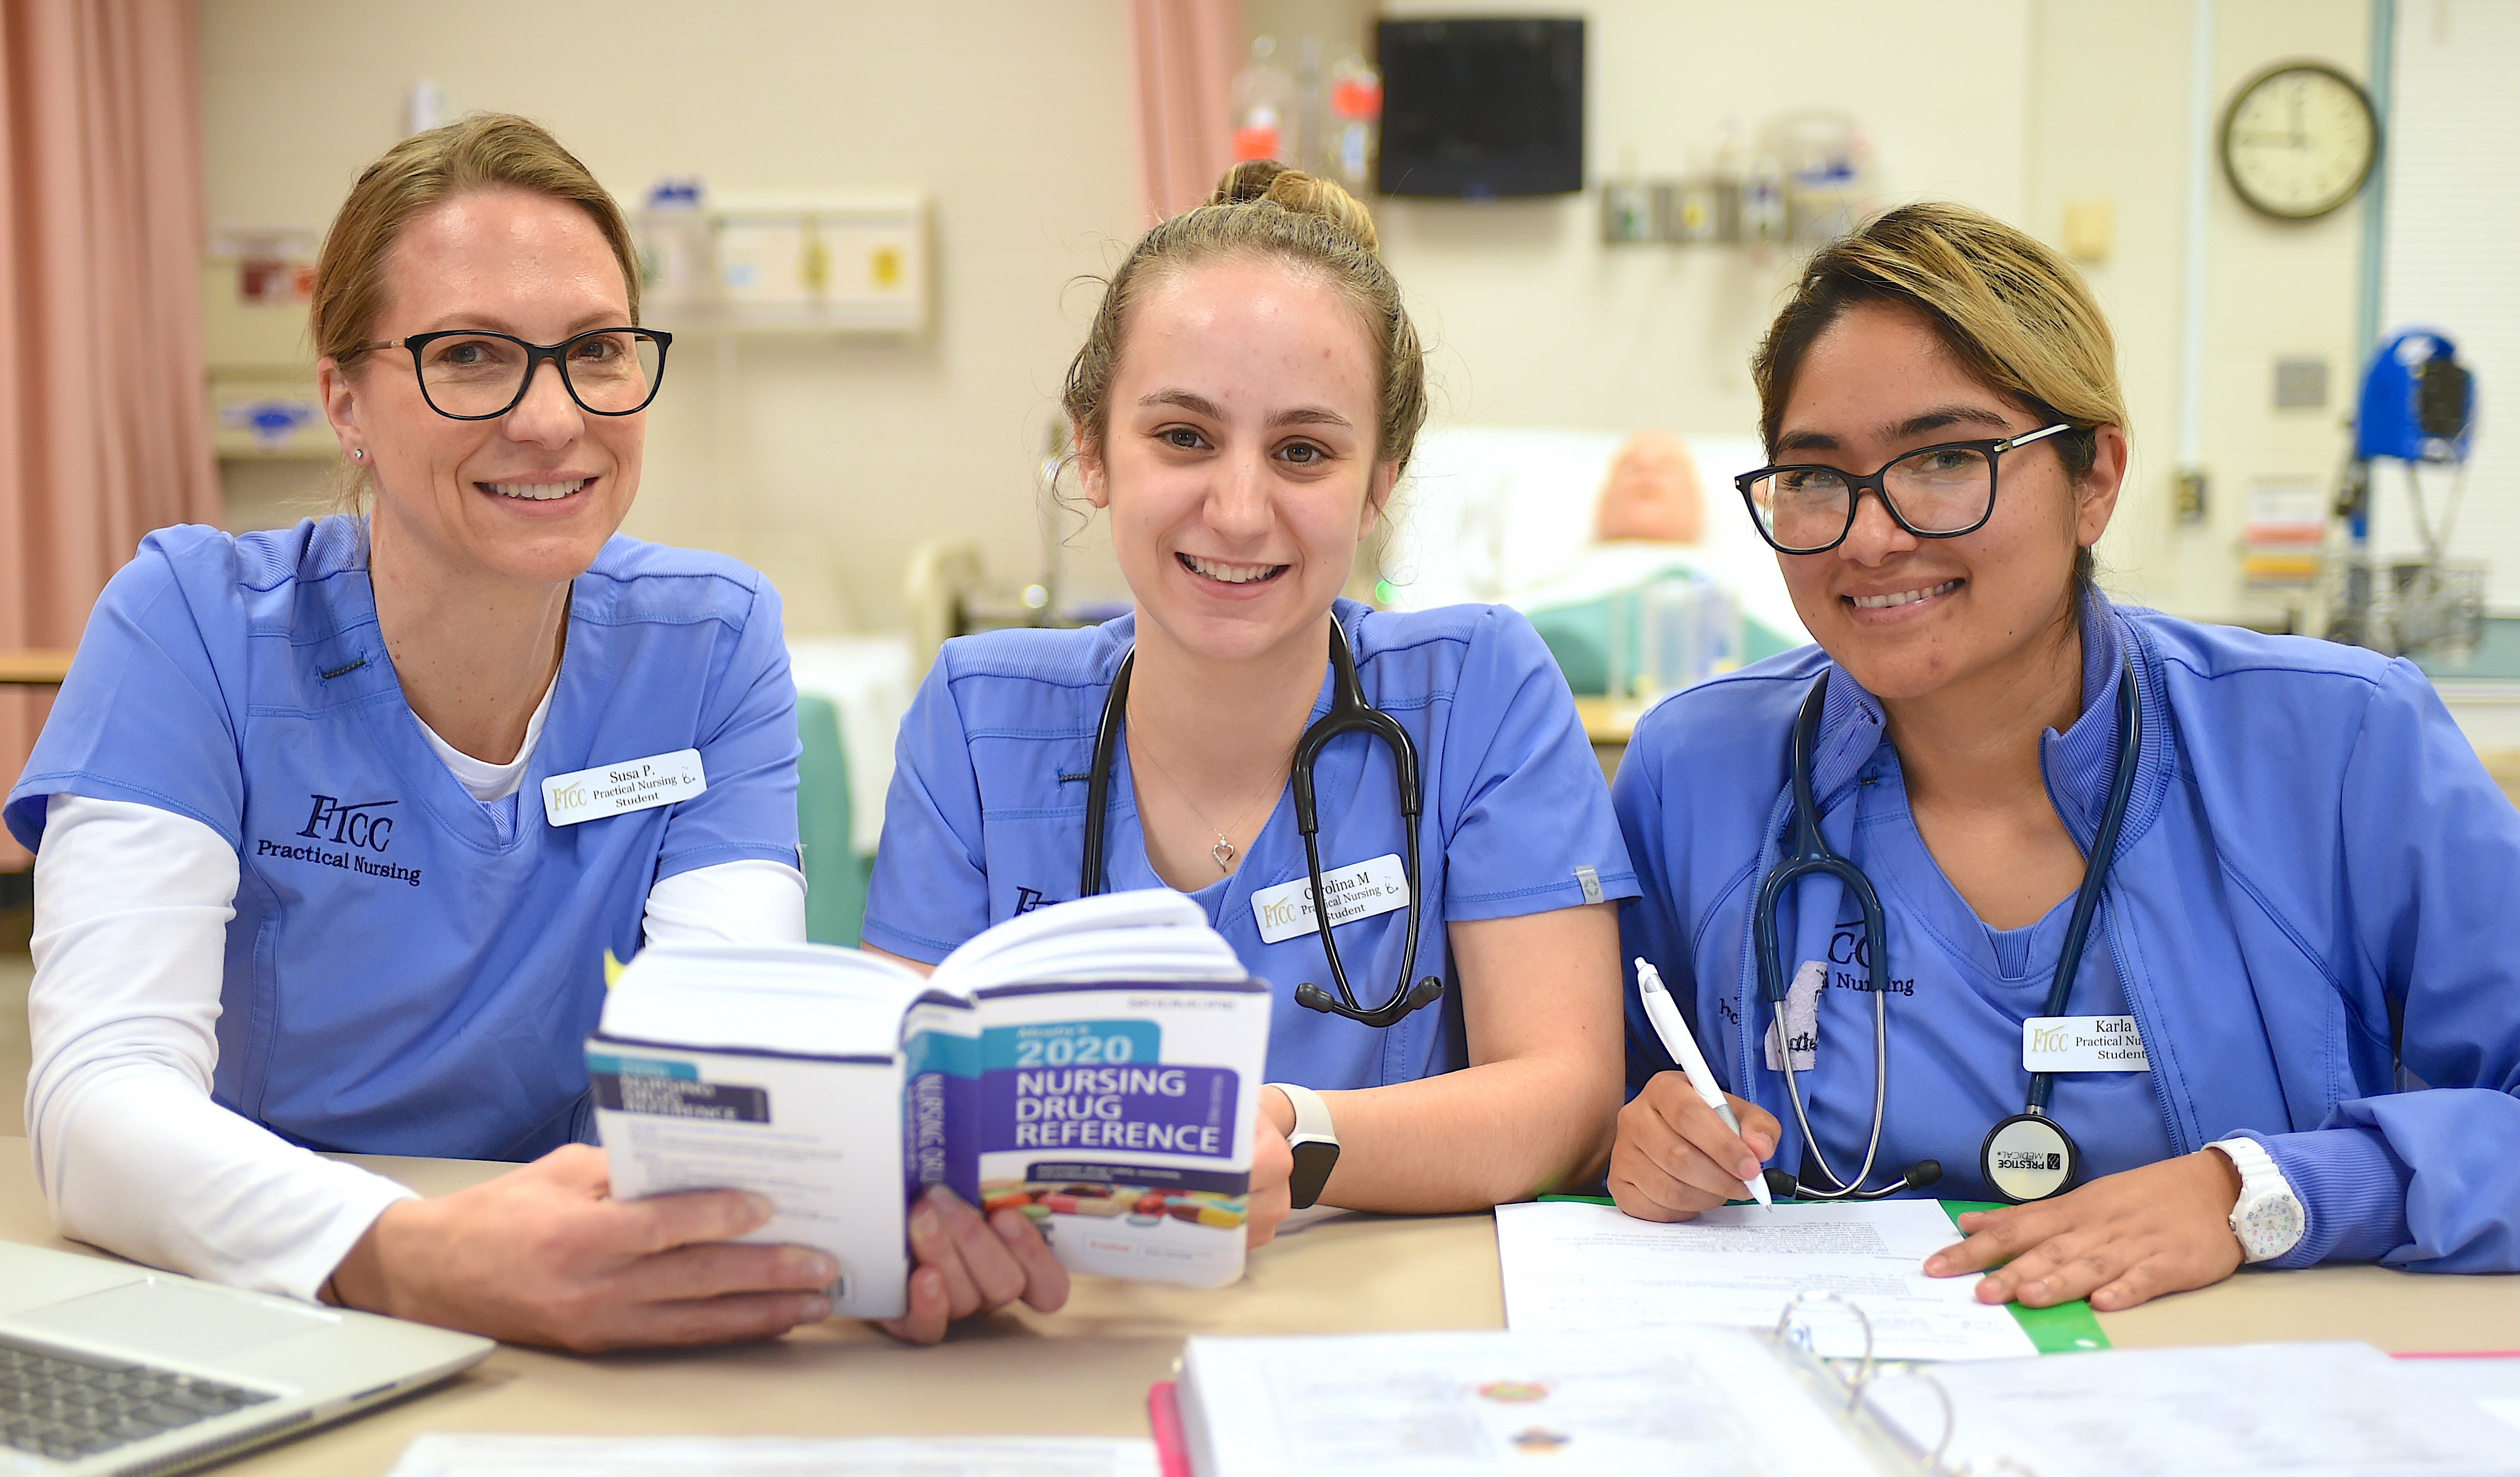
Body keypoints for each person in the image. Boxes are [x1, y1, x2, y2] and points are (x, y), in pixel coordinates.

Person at [9, 114, 1061, 1350]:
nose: (553, 419)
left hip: (580, 1265)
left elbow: (719, 1047)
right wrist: (413, 1255)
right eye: (469, 356)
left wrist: (853, 1225)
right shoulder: (189, 627)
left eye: (597, 351)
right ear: (344, 397)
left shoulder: (708, 646)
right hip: (259, 1281)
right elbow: (96, 1102)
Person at [1606, 201, 2520, 1311]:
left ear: (2092, 481)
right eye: (1812, 476)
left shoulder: (2338, 746)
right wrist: (1635, 1142)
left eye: (1943, 459)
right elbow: (1605, 1100)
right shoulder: (1696, 771)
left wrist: (2259, 1191)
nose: (1868, 535)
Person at [862, 162, 1633, 1238]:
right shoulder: (979, 718)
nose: (1236, 508)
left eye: (1302, 451)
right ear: (1091, 452)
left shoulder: (1477, 693)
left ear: (1378, 486)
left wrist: (1292, 1136)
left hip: (1393, 1330)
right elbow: (895, 1097)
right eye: (1182, 436)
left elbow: (1563, 1094)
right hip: (1062, 1326)